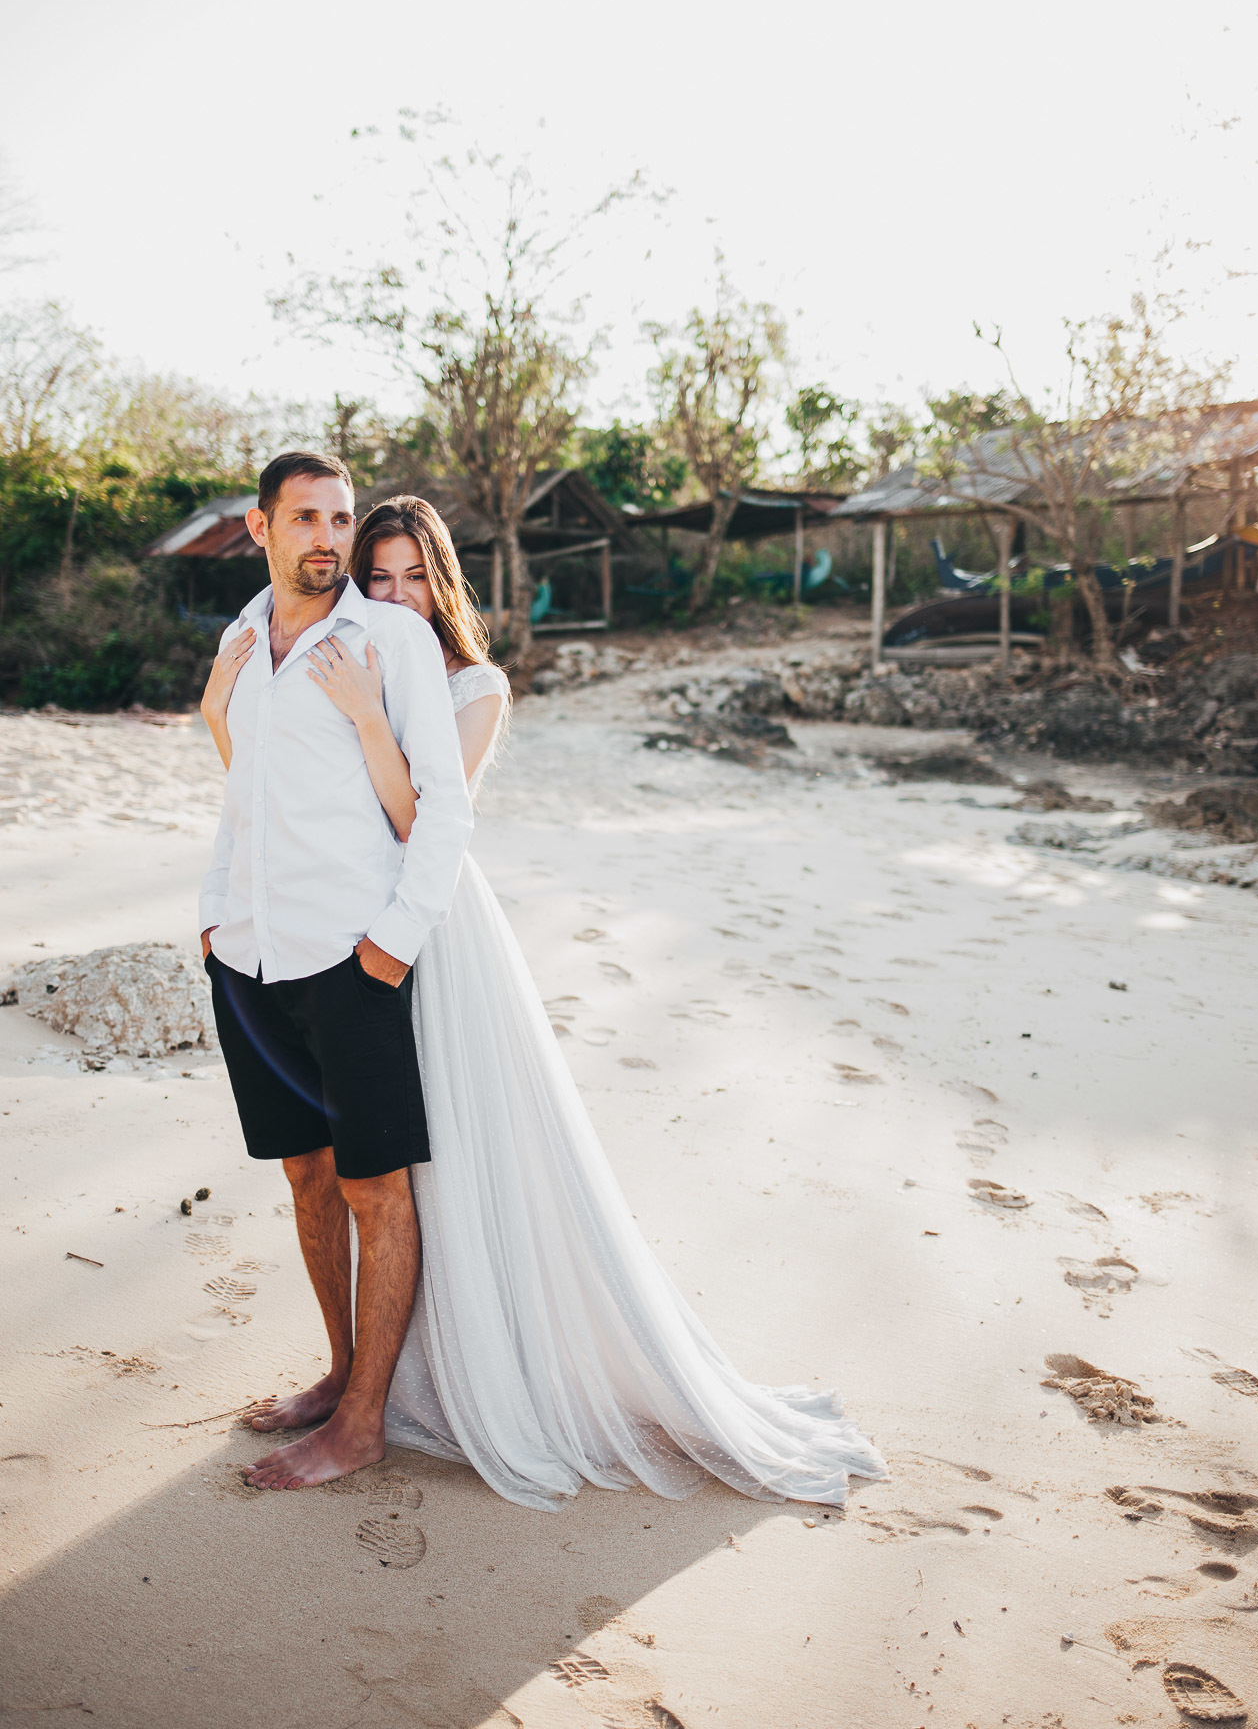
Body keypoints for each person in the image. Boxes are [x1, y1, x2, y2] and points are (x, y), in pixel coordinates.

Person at [207, 491, 886, 1509]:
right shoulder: (344, 644)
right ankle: (359, 1376)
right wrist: (229, 715)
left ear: (442, 581)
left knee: (430, 1165)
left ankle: (410, 1389)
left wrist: (361, 721)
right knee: (357, 1171)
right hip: (326, 929)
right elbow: (272, 785)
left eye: (409, 575)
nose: (391, 589)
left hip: (420, 926)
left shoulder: (460, 680)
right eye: (376, 573)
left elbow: (420, 821)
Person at [196, 454, 473, 1492]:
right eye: (305, 517)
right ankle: (338, 1371)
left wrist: (390, 948)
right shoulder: (240, 641)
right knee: (304, 1176)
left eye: (341, 518)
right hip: (250, 955)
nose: (327, 536)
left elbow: (443, 805)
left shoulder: (392, 639)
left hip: (350, 961)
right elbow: (246, 797)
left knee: (374, 1188)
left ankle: (361, 1425)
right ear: (260, 526)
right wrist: (213, 918)